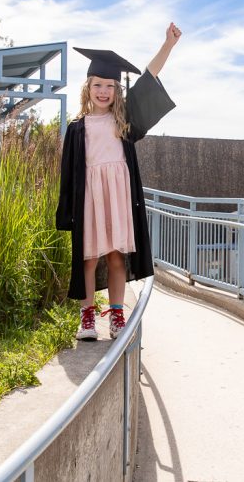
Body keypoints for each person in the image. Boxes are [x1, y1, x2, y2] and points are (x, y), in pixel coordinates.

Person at [56, 23, 182, 340]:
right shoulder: (77, 128)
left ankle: (116, 316)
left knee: (115, 257)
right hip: (89, 200)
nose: (103, 91)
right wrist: (67, 212)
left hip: (118, 198)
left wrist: (168, 45)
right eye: (97, 85)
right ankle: (86, 319)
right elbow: (68, 174)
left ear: (116, 90)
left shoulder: (124, 121)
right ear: (88, 88)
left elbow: (148, 78)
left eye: (110, 86)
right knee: (87, 258)